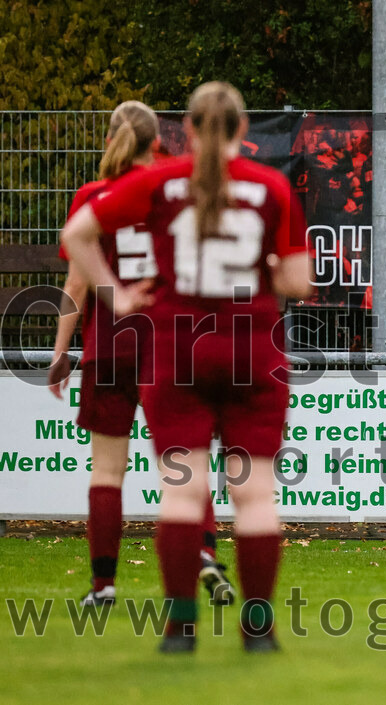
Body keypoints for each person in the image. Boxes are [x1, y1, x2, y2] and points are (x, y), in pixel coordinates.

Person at [61, 82, 313, 651]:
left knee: (180, 490)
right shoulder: (270, 186)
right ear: (243, 131)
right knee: (254, 494)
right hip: (252, 351)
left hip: (177, 351)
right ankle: (258, 629)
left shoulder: (158, 181)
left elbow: (77, 235)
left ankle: (180, 627)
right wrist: (264, 269)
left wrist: (119, 298)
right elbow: (298, 282)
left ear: (190, 131)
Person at [47, 101, 235, 608]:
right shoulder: (171, 193)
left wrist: (62, 350)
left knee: (108, 472)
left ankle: (104, 585)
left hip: (108, 347)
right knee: (182, 463)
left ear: (110, 140)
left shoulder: (93, 196)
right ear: (160, 143)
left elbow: (77, 282)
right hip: (168, 344)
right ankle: (202, 550)